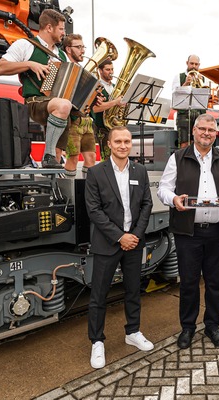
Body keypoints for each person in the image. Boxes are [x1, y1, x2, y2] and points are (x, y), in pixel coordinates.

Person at [157, 113, 219, 349]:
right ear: (194, 131)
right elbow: (163, 188)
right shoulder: (178, 157)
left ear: (216, 133)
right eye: (202, 129)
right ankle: (187, 327)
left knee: (216, 282)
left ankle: (212, 325)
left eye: (211, 130)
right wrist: (174, 199)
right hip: (188, 233)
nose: (206, 133)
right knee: (188, 283)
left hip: (217, 232)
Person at [85, 126, 154, 369]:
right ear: (109, 145)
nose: (123, 145)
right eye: (118, 141)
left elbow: (147, 204)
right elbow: (94, 210)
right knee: (99, 295)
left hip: (134, 242)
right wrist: (119, 236)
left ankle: (133, 331)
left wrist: (135, 235)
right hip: (107, 243)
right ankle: (97, 341)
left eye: (127, 141)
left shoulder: (140, 171)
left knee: (133, 290)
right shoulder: (96, 173)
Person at [0, 9, 72, 168]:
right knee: (63, 105)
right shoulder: (25, 45)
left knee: (59, 153)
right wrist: (29, 64)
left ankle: (52, 168)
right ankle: (48, 155)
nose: (64, 33)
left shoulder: (62, 55)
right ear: (49, 28)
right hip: (35, 102)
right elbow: (0, 68)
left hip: (57, 105)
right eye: (61, 29)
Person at [56, 33, 98, 177]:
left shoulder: (82, 70)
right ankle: (70, 188)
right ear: (68, 49)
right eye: (79, 47)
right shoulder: (64, 66)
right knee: (73, 158)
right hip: (72, 120)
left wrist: (94, 97)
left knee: (91, 158)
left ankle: (88, 189)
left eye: (83, 47)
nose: (83, 51)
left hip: (86, 120)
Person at [91, 59, 126, 160]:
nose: (111, 72)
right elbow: (94, 109)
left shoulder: (116, 87)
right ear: (100, 71)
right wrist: (115, 102)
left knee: (119, 157)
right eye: (107, 69)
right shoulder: (96, 87)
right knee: (107, 159)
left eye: (112, 69)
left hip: (116, 128)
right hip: (102, 128)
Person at [171, 55, 206, 148]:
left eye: (196, 64)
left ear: (199, 65)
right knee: (184, 143)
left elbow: (205, 97)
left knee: (198, 142)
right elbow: (175, 95)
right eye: (192, 63)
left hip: (198, 113)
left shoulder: (202, 78)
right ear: (187, 63)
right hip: (184, 114)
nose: (194, 66)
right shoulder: (179, 77)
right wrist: (186, 83)